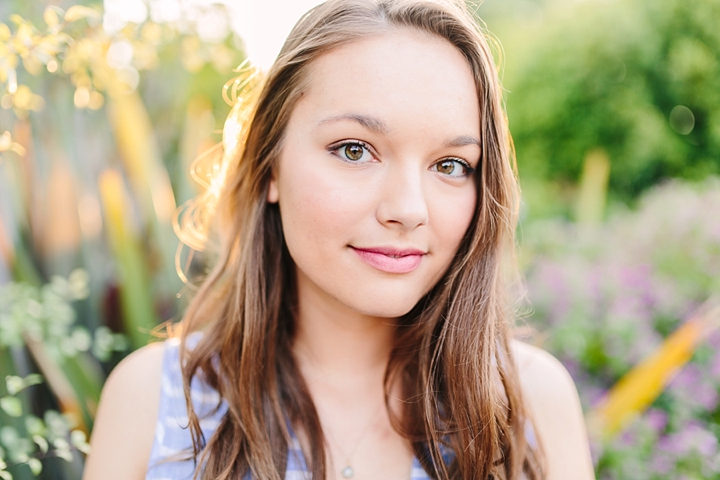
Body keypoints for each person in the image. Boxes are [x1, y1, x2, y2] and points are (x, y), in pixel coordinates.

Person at [84, 0, 595, 478]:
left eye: (450, 164)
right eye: (354, 150)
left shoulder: (528, 404)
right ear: (270, 166)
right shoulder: (157, 400)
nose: (408, 209)